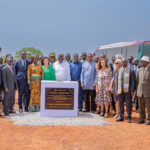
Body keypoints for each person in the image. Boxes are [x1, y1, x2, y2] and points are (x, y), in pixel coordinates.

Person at [116, 58, 136, 123]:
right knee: (121, 104)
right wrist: (117, 89)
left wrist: (132, 90)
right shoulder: (119, 70)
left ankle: (129, 117)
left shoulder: (131, 70)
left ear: (127, 63)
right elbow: (117, 81)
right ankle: (121, 116)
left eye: (125, 62)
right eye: (122, 62)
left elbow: (133, 81)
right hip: (120, 90)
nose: (123, 63)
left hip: (128, 90)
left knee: (128, 104)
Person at [136, 56, 150, 125]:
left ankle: (149, 119)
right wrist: (137, 90)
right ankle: (142, 118)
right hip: (140, 91)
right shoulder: (139, 70)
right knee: (141, 107)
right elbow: (137, 81)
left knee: (149, 106)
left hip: (148, 92)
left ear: (146, 62)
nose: (140, 63)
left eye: (142, 61)